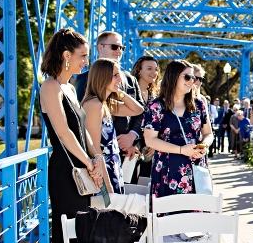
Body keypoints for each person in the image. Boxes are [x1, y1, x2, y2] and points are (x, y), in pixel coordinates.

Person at [39, 28, 104, 243]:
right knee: (65, 232)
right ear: (66, 55)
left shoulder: (69, 88)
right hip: (65, 171)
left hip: (80, 165)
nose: (86, 61)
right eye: (83, 56)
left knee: (82, 228)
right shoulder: (50, 86)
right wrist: (89, 163)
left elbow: (82, 129)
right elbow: (64, 132)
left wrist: (96, 158)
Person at [141, 60, 214, 201]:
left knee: (196, 209)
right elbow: (150, 140)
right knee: (168, 211)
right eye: (187, 77)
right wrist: (181, 150)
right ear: (173, 77)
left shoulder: (199, 104)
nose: (192, 81)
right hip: (167, 169)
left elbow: (208, 133)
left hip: (196, 168)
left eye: (193, 77)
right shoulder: (156, 106)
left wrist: (204, 145)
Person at [75, 31, 144, 166]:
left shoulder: (129, 79)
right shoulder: (86, 82)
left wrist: (132, 137)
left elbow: (141, 110)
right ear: (100, 47)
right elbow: (80, 117)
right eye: (114, 47)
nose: (119, 51)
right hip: (100, 155)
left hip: (125, 151)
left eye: (122, 48)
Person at [81, 58, 145, 194]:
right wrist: (107, 185)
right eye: (115, 75)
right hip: (104, 172)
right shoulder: (94, 104)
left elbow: (138, 110)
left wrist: (119, 92)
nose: (120, 79)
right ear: (102, 77)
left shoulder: (105, 104)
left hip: (113, 167)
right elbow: (95, 148)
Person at [130, 55, 160, 180]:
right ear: (139, 71)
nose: (154, 72)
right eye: (149, 68)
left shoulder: (154, 95)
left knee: (144, 184)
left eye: (156, 69)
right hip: (131, 148)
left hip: (147, 150)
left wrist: (154, 143)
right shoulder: (130, 92)